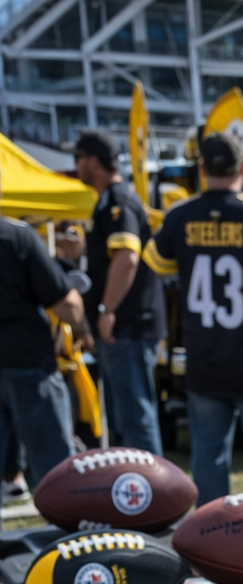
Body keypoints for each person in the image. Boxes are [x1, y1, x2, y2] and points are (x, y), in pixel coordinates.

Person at [143, 132, 243, 506]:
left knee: (209, 455)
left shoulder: (181, 214)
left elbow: (156, 263)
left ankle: (210, 541)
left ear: (201, 168)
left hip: (206, 360)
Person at [73, 129, 165, 455]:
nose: (76, 165)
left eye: (78, 158)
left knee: (135, 418)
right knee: (127, 419)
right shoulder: (112, 199)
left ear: (94, 161)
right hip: (125, 327)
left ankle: (155, 500)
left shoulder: (117, 199)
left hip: (127, 326)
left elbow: (127, 255)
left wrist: (106, 310)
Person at [0, 185, 83, 489]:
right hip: (27, 360)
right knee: (56, 471)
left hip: (24, 359)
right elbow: (67, 305)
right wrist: (83, 328)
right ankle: (63, 536)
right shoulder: (16, 235)